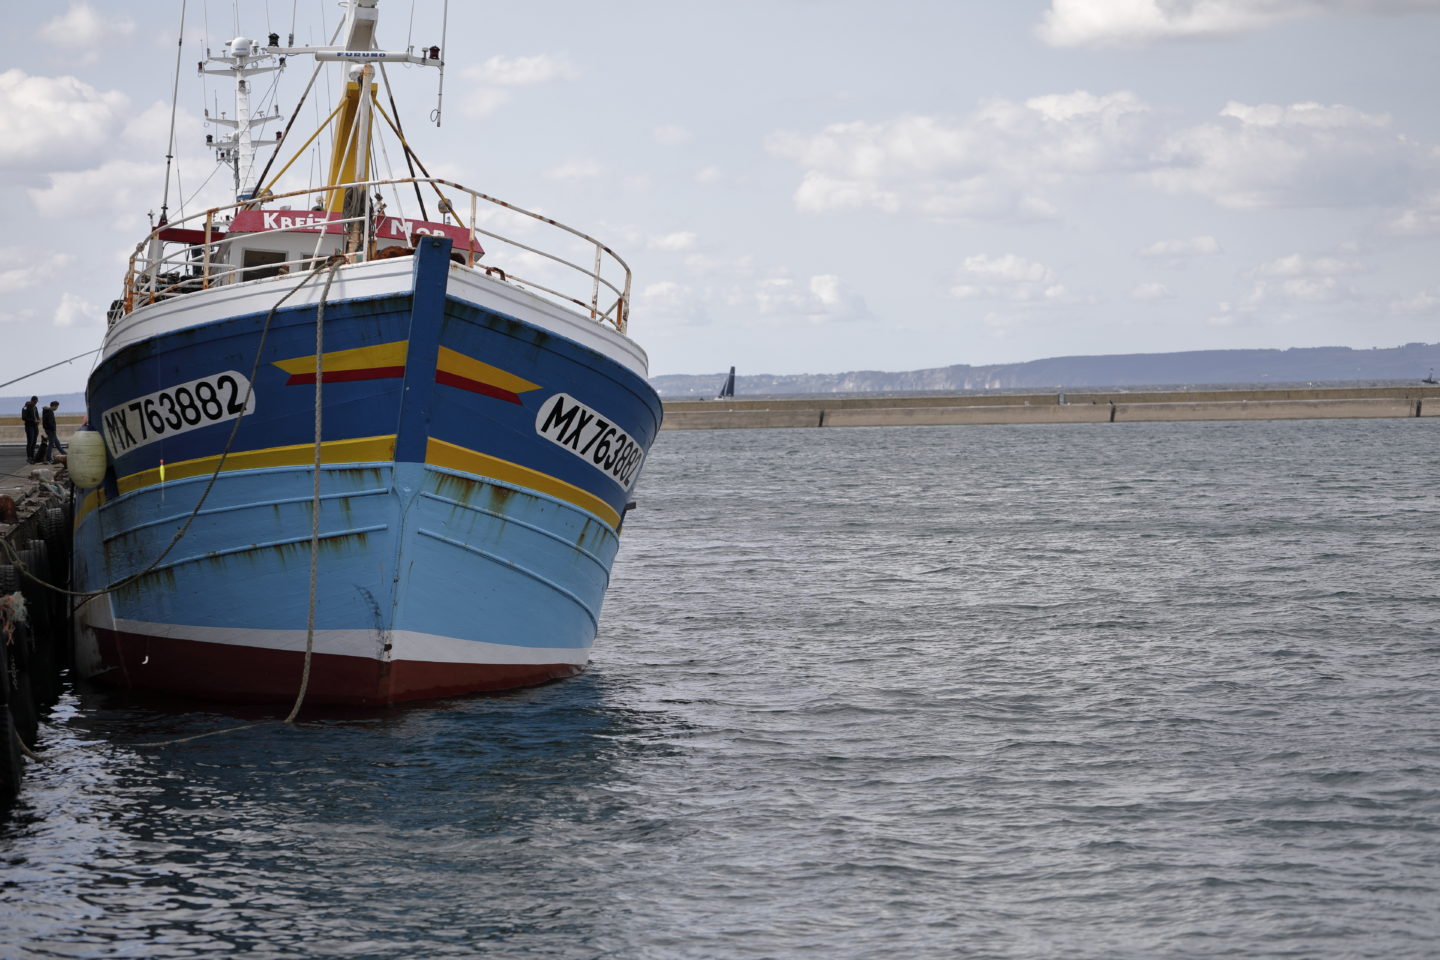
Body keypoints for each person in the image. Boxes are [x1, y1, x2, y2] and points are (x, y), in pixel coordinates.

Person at [20, 396, 39, 463]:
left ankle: (32, 456)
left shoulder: (35, 407)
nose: (35, 403)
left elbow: (37, 416)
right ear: (32, 401)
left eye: (36, 402)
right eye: (34, 402)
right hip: (29, 426)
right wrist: (33, 421)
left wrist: (38, 420)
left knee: (34, 442)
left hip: (35, 426)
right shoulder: (25, 407)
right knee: (30, 442)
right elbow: (24, 417)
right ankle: (29, 457)